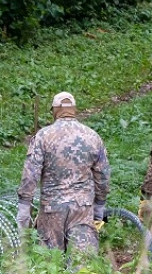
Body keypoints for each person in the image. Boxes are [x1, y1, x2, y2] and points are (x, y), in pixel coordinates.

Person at [16, 92, 111, 254]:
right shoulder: (93, 136)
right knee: (83, 261)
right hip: (82, 209)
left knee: (50, 262)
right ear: (74, 109)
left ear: (55, 110)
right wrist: (100, 205)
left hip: (52, 209)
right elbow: (103, 175)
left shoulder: (43, 136)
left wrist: (25, 205)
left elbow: (30, 175)